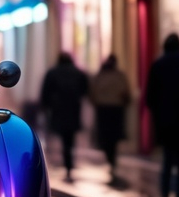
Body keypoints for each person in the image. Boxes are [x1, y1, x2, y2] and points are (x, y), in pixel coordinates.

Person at [145, 33, 179, 197]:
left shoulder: (158, 65)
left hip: (165, 123)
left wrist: (159, 112)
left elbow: (149, 98)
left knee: (167, 162)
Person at [40, 51, 89, 182]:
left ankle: (67, 163)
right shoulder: (78, 73)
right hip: (73, 109)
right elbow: (85, 89)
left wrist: (46, 106)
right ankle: (69, 164)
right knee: (70, 138)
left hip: (58, 110)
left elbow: (45, 92)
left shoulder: (53, 73)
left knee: (63, 137)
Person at [89, 54, 131, 184]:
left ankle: (111, 159)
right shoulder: (120, 76)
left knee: (106, 138)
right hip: (116, 110)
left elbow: (92, 93)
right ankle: (112, 160)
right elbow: (126, 93)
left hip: (103, 110)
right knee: (113, 138)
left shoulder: (100, 76)